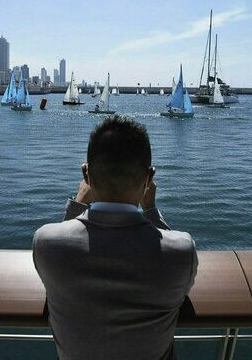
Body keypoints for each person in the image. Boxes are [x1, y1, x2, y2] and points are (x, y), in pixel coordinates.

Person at [33, 116, 198, 360]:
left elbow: (64, 245)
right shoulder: (182, 252)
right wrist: (151, 211)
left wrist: (77, 205)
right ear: (148, 178)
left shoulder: (45, 243)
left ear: (86, 174)